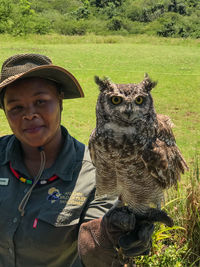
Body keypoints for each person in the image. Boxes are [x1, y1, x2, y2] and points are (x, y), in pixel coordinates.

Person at [0, 53, 154, 267]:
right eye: (16, 107)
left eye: (41, 102)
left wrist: (115, 231)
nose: (29, 114)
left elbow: (95, 238)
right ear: (5, 112)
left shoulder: (97, 174)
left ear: (60, 100)